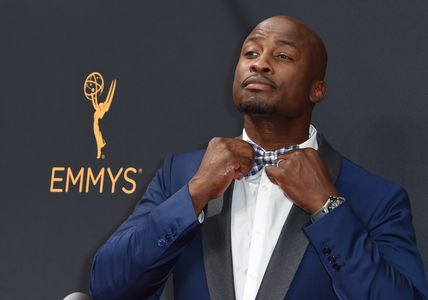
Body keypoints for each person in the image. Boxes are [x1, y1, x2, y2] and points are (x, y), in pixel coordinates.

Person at [90, 16, 428, 300]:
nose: (259, 63)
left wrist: (328, 208)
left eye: (282, 56)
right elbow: (109, 287)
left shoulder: (376, 197)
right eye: (250, 52)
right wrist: (193, 195)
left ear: (317, 89)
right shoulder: (180, 174)